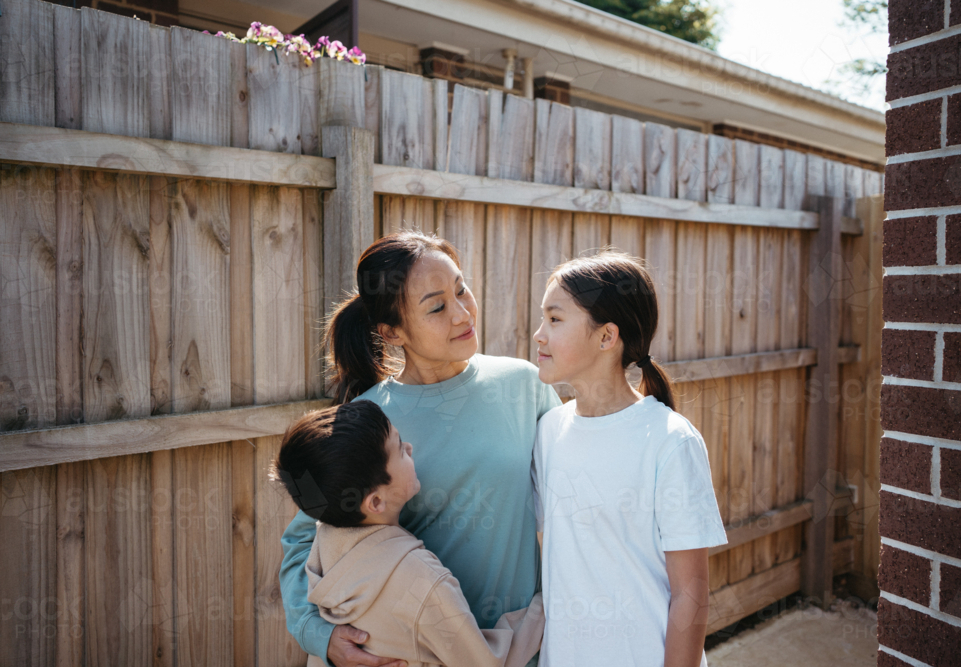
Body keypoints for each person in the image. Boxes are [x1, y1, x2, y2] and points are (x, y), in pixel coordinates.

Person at [279, 231, 562, 667]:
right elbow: (302, 541)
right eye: (437, 307)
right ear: (392, 332)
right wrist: (319, 634)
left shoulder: (523, 385)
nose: (462, 312)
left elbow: (574, 501)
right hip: (417, 653)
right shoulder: (366, 419)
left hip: (524, 646)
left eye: (462, 289)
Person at [531, 251, 727, 667]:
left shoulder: (670, 441)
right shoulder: (548, 432)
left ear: (606, 337)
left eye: (555, 319)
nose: (538, 335)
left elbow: (690, 595)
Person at [272, 400, 545, 667]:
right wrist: (542, 609)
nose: (411, 448)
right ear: (376, 503)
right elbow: (486, 662)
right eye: (400, 449)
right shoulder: (424, 581)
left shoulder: (324, 540)